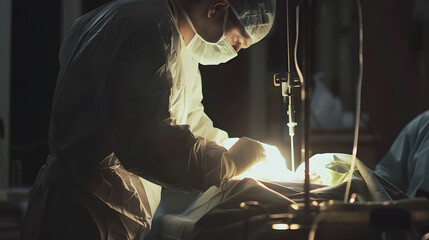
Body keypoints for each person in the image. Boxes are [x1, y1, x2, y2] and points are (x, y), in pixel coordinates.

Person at [20, 0, 276, 239]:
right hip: (85, 213)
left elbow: (188, 121)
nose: (236, 51)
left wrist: (228, 147)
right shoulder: (149, 32)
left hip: (100, 205)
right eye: (238, 41)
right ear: (217, 9)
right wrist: (228, 162)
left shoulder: (169, 36)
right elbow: (148, 145)